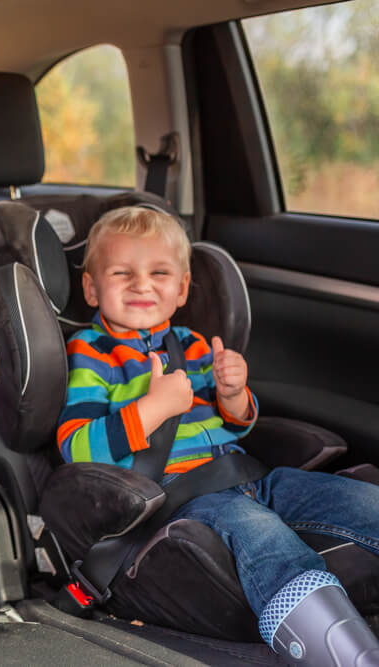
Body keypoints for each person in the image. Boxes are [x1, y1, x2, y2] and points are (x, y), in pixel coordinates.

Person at [56, 205, 379, 663]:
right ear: (91, 287)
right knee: (264, 538)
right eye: (121, 272)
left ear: (183, 287)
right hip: (182, 494)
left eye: (159, 272)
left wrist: (233, 394)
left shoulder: (191, 344)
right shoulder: (91, 354)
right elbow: (78, 446)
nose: (142, 284)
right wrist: (153, 408)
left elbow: (234, 423)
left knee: (358, 500)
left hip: (251, 475)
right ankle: (343, 651)